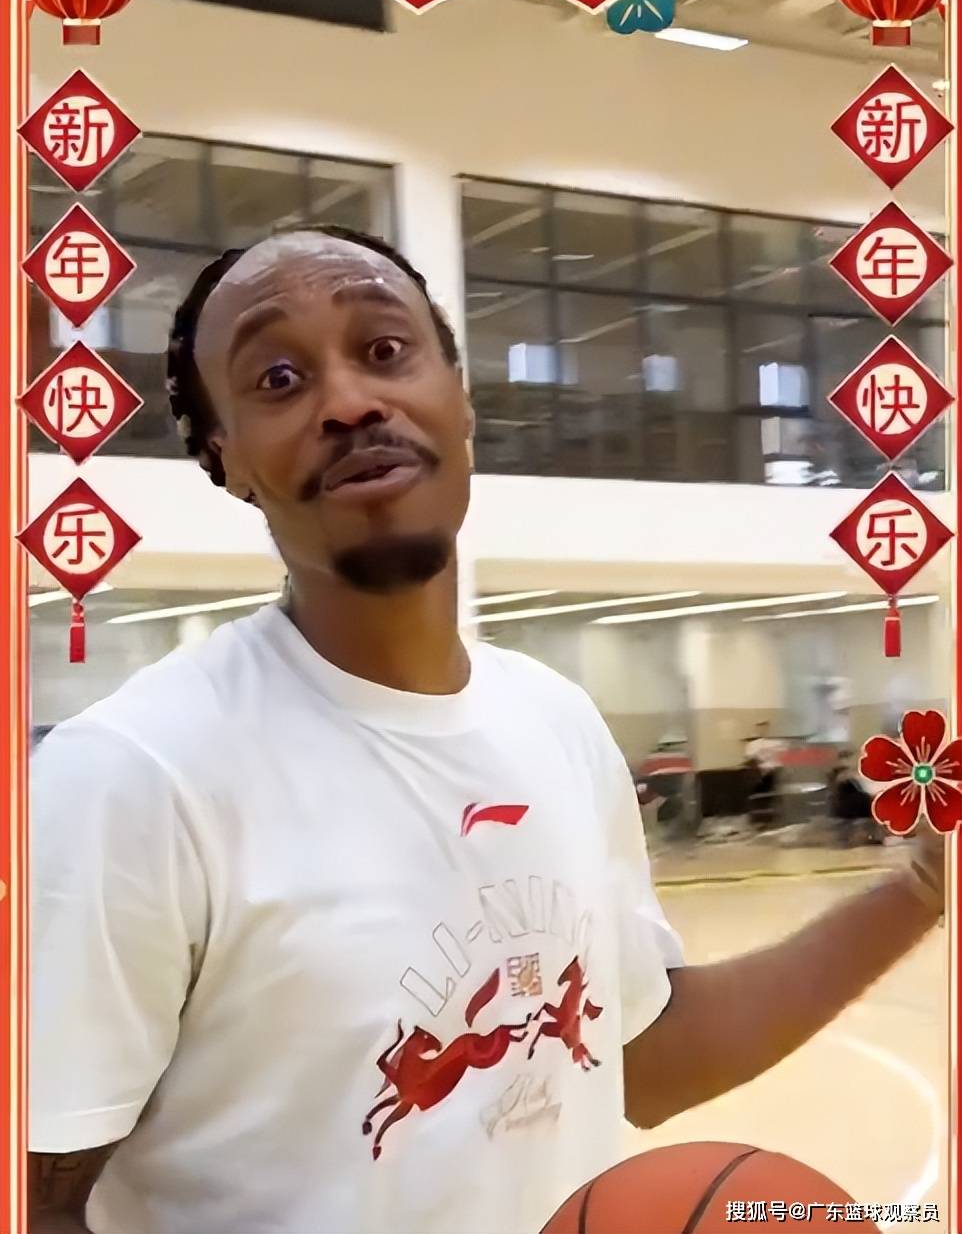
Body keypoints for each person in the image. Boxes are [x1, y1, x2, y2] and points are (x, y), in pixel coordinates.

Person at [29, 227, 946, 1234]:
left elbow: (643, 1058)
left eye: (384, 350)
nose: (349, 402)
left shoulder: (556, 722)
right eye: (279, 379)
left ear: (459, 397)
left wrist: (922, 885)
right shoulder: (131, 776)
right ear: (224, 456)